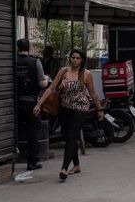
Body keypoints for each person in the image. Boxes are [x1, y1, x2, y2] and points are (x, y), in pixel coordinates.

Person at [33, 48, 104, 181]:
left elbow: (93, 93)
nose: (75, 60)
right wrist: (39, 104)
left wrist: (100, 110)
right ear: (70, 58)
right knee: (69, 137)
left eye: (78, 58)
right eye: (73, 57)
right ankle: (76, 165)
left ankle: (64, 168)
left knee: (71, 136)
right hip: (65, 108)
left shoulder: (86, 74)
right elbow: (50, 89)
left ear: (82, 60)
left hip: (80, 108)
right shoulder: (63, 71)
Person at [16, 38, 47, 171]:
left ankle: (13, 158)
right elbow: (42, 83)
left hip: (15, 103)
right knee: (32, 131)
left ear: (18, 48)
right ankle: (32, 162)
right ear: (29, 48)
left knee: (16, 131)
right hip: (30, 103)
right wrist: (47, 81)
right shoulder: (35, 62)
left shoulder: (13, 61)